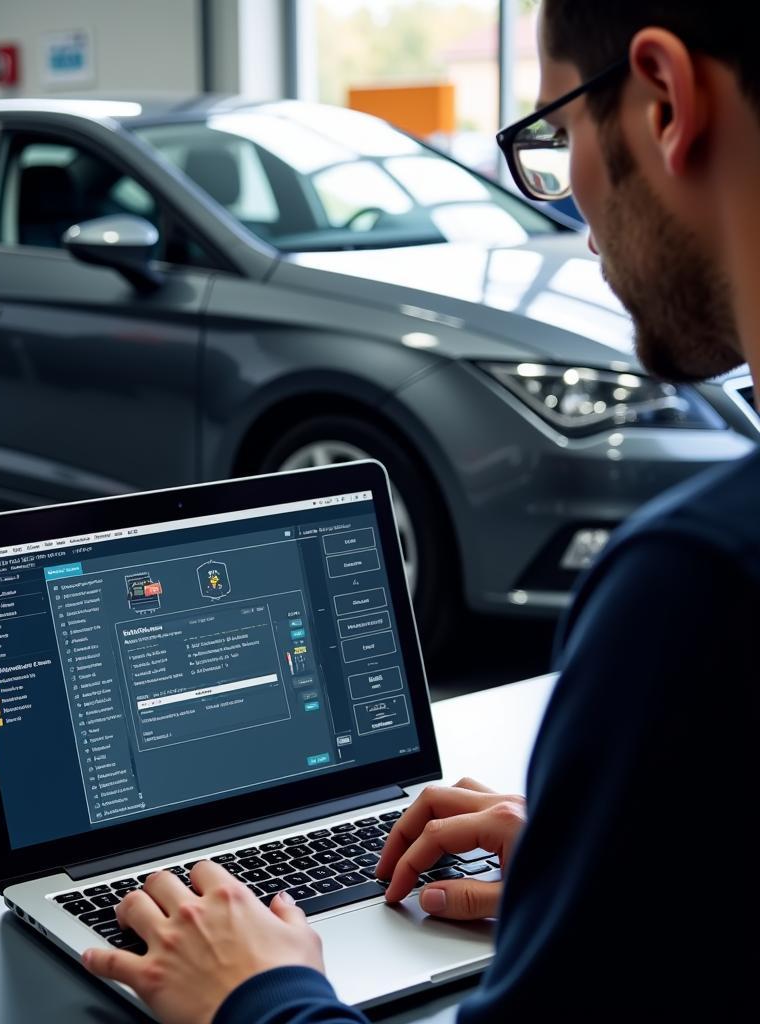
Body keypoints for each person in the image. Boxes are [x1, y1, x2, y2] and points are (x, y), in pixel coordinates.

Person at [83, 2, 760, 1019]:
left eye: (560, 133)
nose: (570, 206)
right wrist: (614, 861)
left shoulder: (696, 587)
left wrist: (257, 995)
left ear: (663, 98)